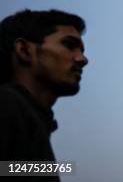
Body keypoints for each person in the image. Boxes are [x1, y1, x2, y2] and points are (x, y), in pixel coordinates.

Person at [0, 9, 88, 165]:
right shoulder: (7, 106)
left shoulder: (33, 121)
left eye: (81, 51)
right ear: (24, 50)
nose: (83, 59)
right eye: (69, 45)